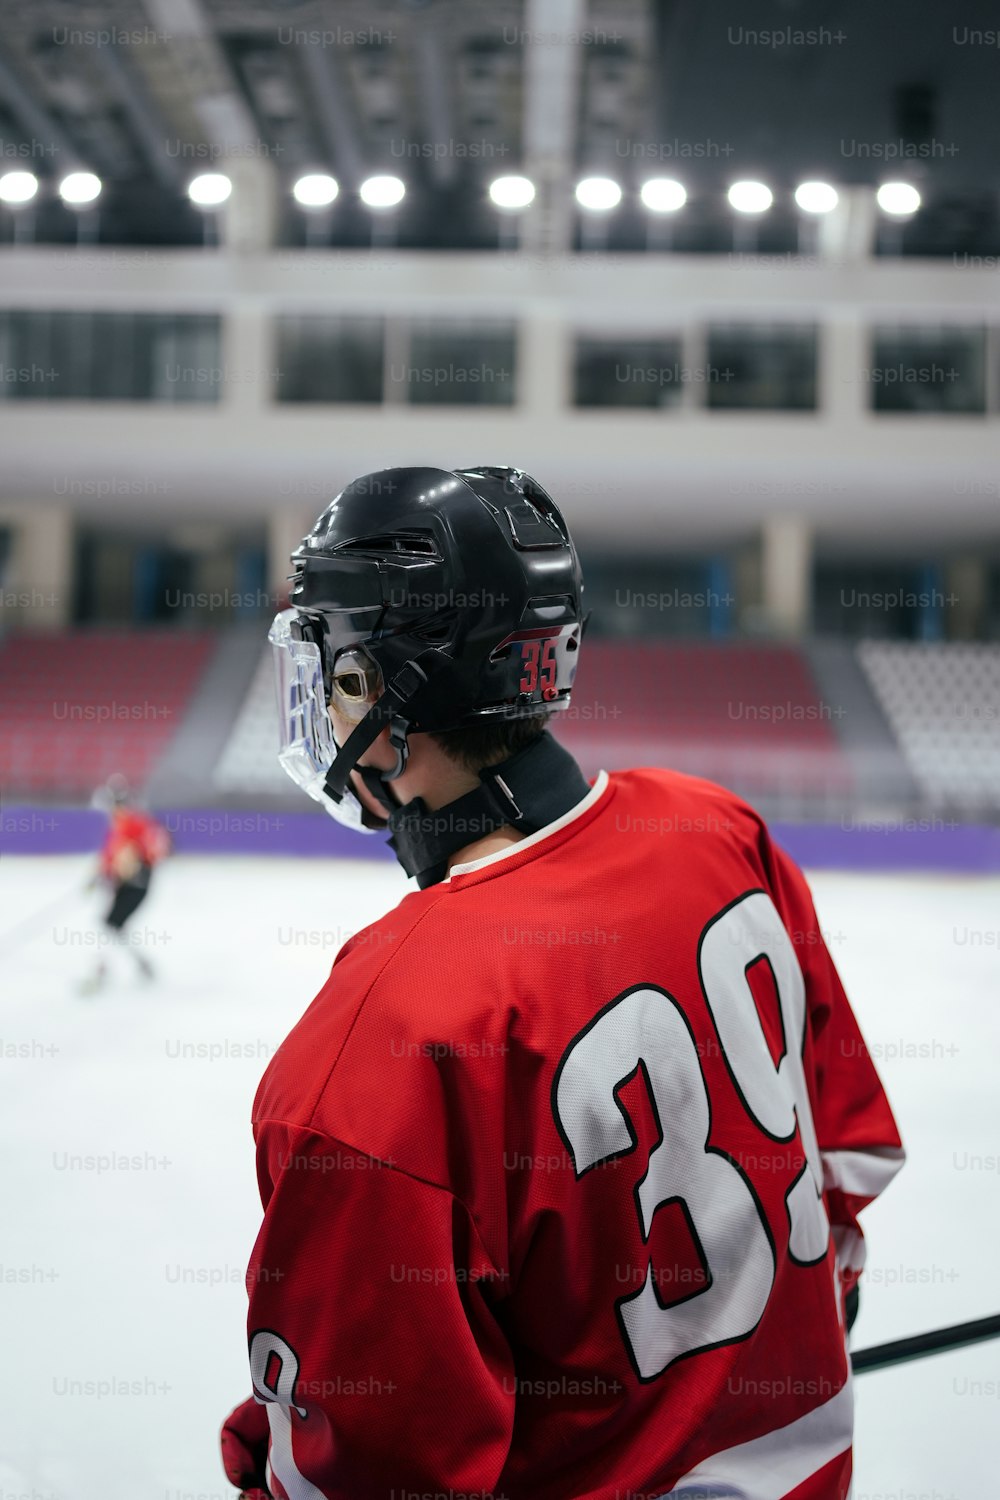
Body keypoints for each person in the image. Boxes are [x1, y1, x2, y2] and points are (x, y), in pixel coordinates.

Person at [221, 466, 903, 1500]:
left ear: (386, 686)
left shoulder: (380, 1047)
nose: (322, 698)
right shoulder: (718, 831)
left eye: (334, 667)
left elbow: (369, 1468)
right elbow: (844, 1165)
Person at [80, 774, 170, 994]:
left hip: (137, 884)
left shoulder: (135, 824)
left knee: (110, 924)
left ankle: (102, 971)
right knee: (114, 926)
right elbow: (111, 858)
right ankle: (139, 964)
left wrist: (138, 863)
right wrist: (99, 876)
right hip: (125, 884)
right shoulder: (120, 826)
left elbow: (157, 848)